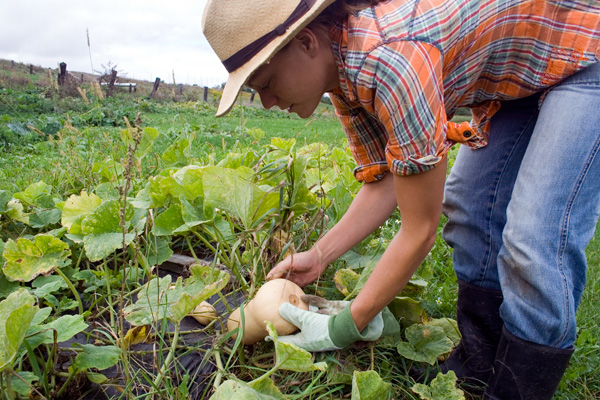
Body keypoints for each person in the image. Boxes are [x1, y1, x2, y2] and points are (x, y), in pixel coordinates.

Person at [201, 0, 600, 398]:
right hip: (521, 75)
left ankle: (517, 392)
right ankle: (479, 368)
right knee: (469, 205)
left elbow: (420, 230)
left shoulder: (391, 62)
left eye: (266, 84)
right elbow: (390, 178)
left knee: (535, 235)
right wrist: (319, 256)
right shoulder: (341, 75)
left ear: (307, 43)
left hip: (584, 44)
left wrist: (347, 324)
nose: (267, 102)